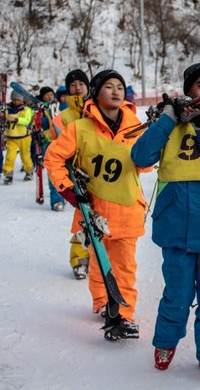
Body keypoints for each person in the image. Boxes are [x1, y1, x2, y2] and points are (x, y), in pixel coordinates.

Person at [131, 63, 200, 380]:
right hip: (174, 224)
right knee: (176, 294)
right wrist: (166, 119)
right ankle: (165, 342)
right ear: (188, 90)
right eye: (199, 85)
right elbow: (140, 157)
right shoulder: (167, 129)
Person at [44, 70, 148, 340]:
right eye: (109, 87)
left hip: (127, 207)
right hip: (93, 209)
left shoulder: (135, 124)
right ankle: (102, 301)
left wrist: (153, 140)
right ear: (96, 92)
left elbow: (145, 165)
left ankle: (123, 314)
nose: (115, 91)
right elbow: (53, 158)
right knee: (99, 260)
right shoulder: (80, 128)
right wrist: (68, 190)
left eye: (120, 87)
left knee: (124, 265)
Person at [51, 70, 92, 279]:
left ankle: (105, 258)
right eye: (73, 85)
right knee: (81, 218)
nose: (77, 88)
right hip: (77, 175)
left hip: (99, 170)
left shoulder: (97, 110)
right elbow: (56, 148)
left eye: (81, 84)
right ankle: (80, 260)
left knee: (106, 217)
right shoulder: (61, 119)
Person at [33, 86, 66, 211]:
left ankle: (66, 195)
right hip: (51, 144)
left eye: (51, 94)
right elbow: (40, 125)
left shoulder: (63, 107)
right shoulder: (43, 110)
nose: (49, 97)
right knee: (54, 172)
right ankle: (57, 200)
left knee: (68, 172)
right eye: (47, 95)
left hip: (67, 143)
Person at [2, 92, 34, 184]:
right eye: (14, 99)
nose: (16, 102)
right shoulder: (7, 109)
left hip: (24, 137)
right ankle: (8, 174)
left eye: (18, 100)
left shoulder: (26, 109)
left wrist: (16, 119)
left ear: (22, 100)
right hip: (11, 137)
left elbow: (26, 120)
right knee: (9, 157)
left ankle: (29, 171)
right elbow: (4, 116)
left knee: (25, 156)